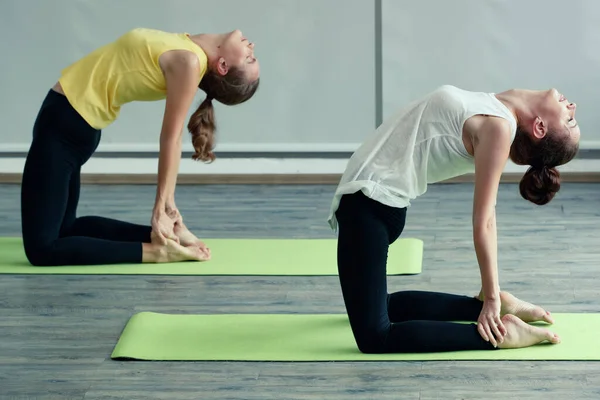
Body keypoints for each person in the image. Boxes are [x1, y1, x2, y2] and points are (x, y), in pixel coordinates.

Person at [327, 85, 580, 353]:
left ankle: (500, 335)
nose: (572, 107)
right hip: (370, 202)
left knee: (375, 337)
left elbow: (485, 221)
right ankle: (483, 307)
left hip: (369, 205)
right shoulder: (497, 107)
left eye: (569, 119)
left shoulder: (499, 129)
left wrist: (491, 296)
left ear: (540, 127)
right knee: (381, 305)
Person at [21, 27, 260, 266]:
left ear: (223, 66)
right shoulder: (190, 46)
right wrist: (169, 212)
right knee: (67, 228)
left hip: (66, 124)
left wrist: (163, 205)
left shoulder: (189, 61)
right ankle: (168, 238)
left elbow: (172, 138)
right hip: (71, 122)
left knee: (42, 250)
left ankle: (157, 252)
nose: (252, 47)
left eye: (249, 58)